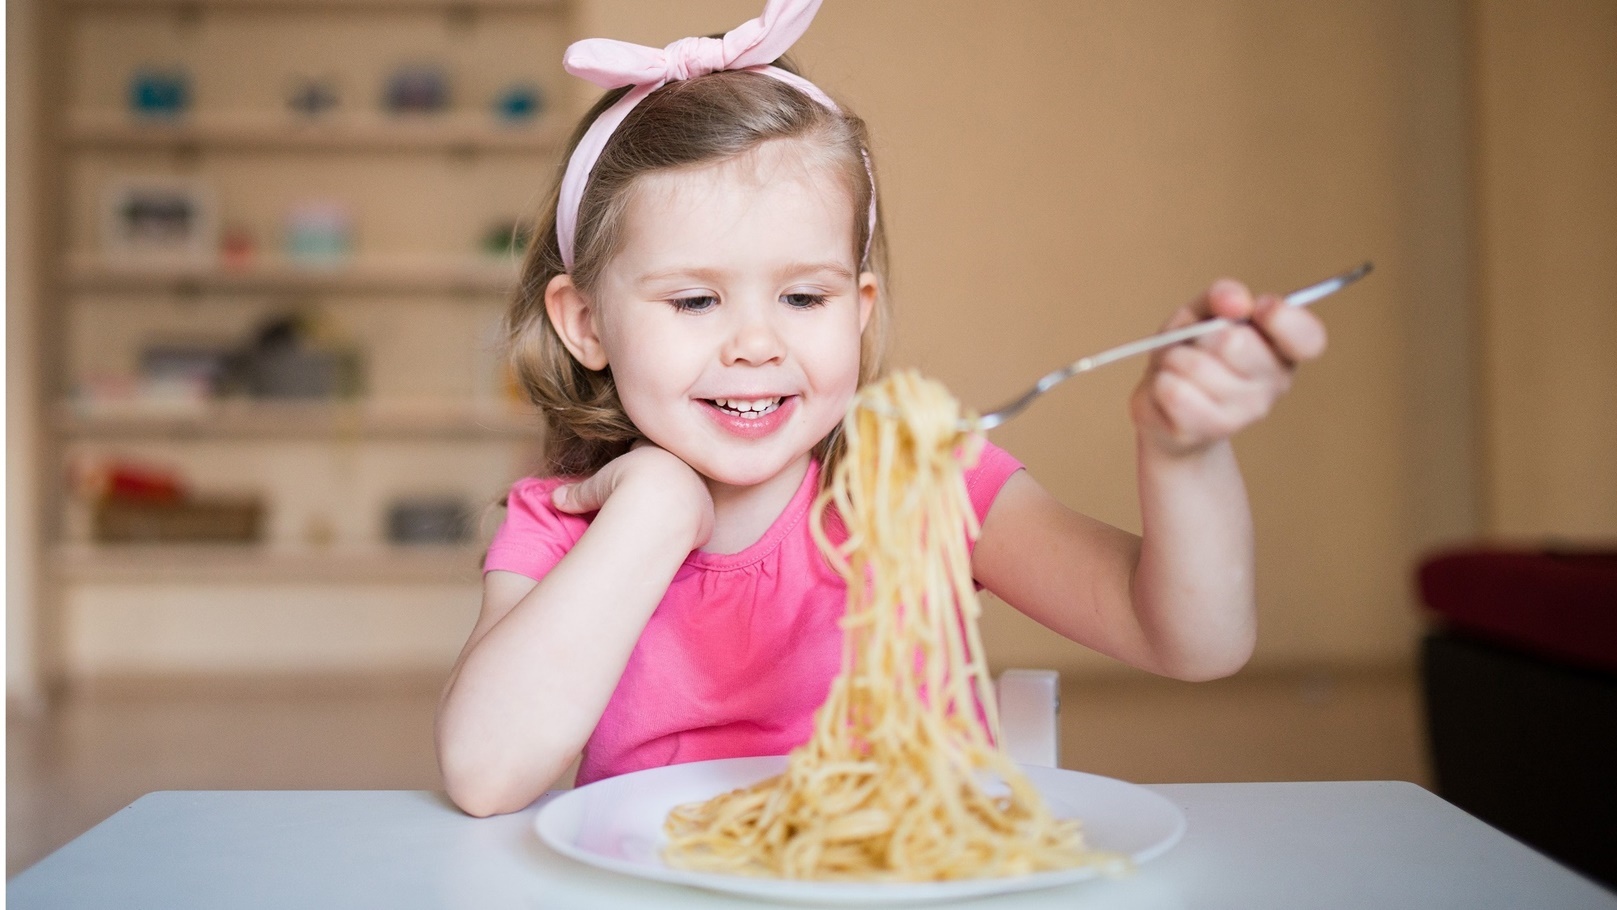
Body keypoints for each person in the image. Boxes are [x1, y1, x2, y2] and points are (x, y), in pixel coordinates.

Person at [435, 0, 1327, 818]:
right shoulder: (564, 526)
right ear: (586, 323)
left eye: (803, 299)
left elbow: (1188, 641)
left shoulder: (923, 482)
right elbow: (485, 774)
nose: (755, 344)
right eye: (694, 301)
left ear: (858, 312)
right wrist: (655, 510)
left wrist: (1182, 456)